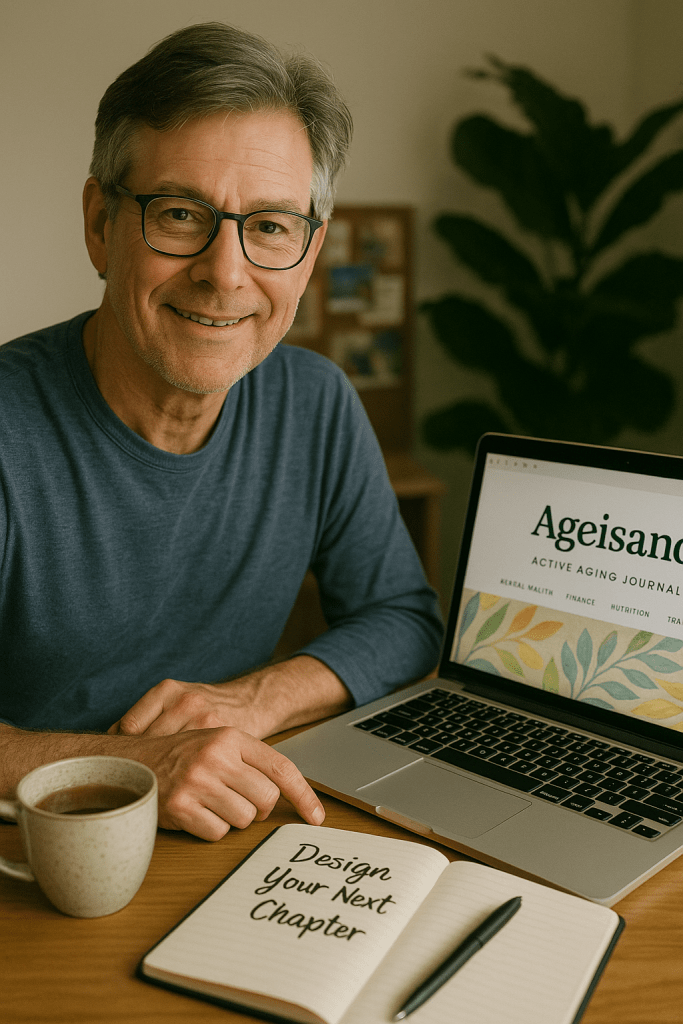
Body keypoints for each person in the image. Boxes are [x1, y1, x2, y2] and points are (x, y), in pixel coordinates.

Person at [0, 23, 443, 841]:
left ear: (307, 257)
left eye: (271, 226)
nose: (224, 271)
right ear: (102, 224)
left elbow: (402, 619)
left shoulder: (316, 402)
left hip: (226, 839)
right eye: (179, 214)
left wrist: (251, 700)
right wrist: (130, 767)